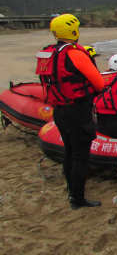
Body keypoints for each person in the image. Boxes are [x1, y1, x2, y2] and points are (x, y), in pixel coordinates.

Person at [36, 13, 104, 210]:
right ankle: (78, 198)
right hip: (78, 112)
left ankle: (71, 191)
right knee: (80, 156)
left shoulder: (48, 53)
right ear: (73, 31)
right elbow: (99, 83)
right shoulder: (75, 53)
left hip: (60, 111)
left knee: (69, 151)